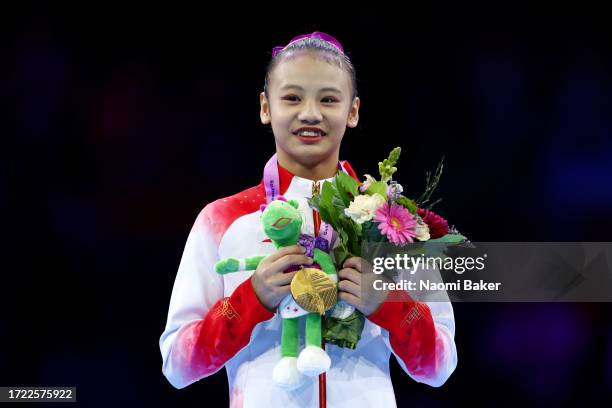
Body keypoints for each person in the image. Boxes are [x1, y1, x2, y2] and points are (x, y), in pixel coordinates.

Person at [159, 31, 458, 408]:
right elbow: (177, 365)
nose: (311, 113)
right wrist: (252, 298)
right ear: (266, 108)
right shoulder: (223, 219)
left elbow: (439, 366)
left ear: (353, 111)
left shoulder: (393, 222)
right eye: (292, 97)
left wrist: (387, 303)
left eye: (329, 99)